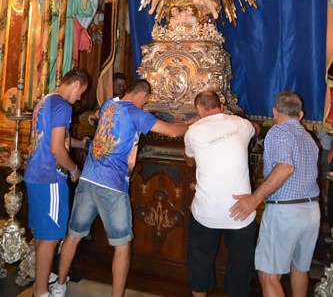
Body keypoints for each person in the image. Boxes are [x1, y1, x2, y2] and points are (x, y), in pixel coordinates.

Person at [51, 79, 188, 297]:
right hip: (112, 186)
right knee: (122, 245)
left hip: (87, 179)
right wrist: (195, 123)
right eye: (146, 99)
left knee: (74, 235)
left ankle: (59, 285)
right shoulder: (137, 113)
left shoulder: (108, 105)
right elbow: (172, 132)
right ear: (143, 95)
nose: (145, 103)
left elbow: (98, 115)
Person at [230, 91, 320, 297]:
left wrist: (254, 199)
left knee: (269, 275)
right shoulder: (309, 138)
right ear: (301, 114)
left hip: (286, 211)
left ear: (274, 111)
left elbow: (285, 168)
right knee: (300, 268)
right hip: (311, 211)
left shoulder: (278, 132)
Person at [184, 90, 257, 297]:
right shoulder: (241, 124)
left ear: (198, 110)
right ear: (221, 107)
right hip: (241, 211)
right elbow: (255, 129)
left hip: (207, 210)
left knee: (200, 258)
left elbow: (189, 159)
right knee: (241, 265)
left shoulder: (194, 130)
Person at [24, 69, 89, 297]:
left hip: (34, 173)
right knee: (51, 237)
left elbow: (53, 139)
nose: (80, 97)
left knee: (43, 234)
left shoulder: (46, 100)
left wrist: (80, 145)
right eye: (82, 91)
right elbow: (56, 149)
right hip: (50, 177)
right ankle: (41, 291)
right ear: (76, 84)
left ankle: (40, 283)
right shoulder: (63, 105)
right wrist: (74, 170)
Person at [49, 0, 93, 91]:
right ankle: (49, 86)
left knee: (65, 58)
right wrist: (55, 0)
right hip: (55, 25)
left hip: (68, 26)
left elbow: (87, 11)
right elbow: (46, 12)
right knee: (52, 56)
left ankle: (61, 86)